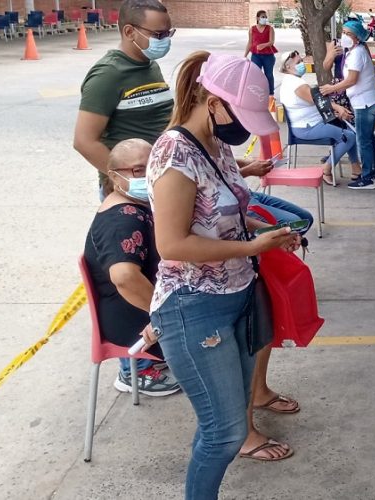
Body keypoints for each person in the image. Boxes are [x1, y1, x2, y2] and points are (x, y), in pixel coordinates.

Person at [148, 52, 302, 497]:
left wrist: (264, 231)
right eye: (241, 113)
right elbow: (173, 244)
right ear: (213, 100)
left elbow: (224, 213)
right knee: (224, 434)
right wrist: (251, 247)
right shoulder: (175, 152)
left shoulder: (218, 144)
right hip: (193, 306)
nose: (244, 127)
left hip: (236, 294)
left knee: (224, 425)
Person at [84, 139, 180, 397]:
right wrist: (166, 314)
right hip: (131, 318)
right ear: (114, 176)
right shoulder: (122, 220)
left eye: (154, 165)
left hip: (139, 306)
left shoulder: (135, 204)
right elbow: (124, 277)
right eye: (138, 170)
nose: (148, 174)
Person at [74, 0, 174, 198]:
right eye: (158, 35)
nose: (165, 40)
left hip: (162, 181)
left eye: (168, 33)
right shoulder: (108, 74)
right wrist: (130, 183)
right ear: (129, 32)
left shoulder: (149, 65)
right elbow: (84, 141)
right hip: (135, 189)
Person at [320, 20, 375, 190]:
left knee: (363, 140)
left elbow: (351, 80)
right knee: (368, 137)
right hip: (366, 100)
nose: (344, 36)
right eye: (343, 32)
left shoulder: (357, 53)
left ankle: (367, 178)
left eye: (348, 34)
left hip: (364, 103)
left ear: (357, 37)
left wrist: (331, 88)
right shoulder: (356, 51)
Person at [279, 50, 358, 186]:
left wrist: (334, 111)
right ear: (288, 67)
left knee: (346, 128)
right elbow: (318, 102)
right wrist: (337, 107)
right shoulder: (296, 84)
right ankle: (326, 169)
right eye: (298, 62)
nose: (302, 64)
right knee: (350, 136)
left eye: (301, 61)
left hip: (310, 124)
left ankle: (356, 169)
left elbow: (316, 104)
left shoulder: (290, 81)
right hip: (308, 128)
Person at [243, 10, 277, 93]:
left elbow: (271, 42)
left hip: (268, 56)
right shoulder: (252, 29)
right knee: (255, 75)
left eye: (265, 17)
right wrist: (245, 55)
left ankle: (270, 94)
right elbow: (250, 43)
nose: (264, 18)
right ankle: (257, 93)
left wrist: (263, 45)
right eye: (262, 17)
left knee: (268, 75)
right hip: (256, 56)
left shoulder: (270, 29)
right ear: (258, 18)